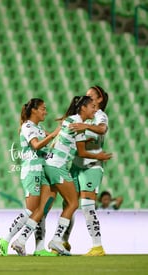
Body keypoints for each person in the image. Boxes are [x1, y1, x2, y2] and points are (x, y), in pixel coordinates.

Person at [11, 95, 112, 256]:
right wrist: (99, 156)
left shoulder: (71, 120)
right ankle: (57, 239)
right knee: (73, 203)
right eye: (92, 106)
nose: (95, 109)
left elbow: (76, 144)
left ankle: (21, 241)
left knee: (43, 208)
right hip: (58, 167)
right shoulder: (76, 123)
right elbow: (82, 151)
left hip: (49, 165)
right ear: (83, 108)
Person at [0, 98, 59, 257]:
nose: (46, 111)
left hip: (41, 170)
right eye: (43, 109)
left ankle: (39, 248)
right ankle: (5, 239)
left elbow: (45, 146)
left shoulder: (39, 127)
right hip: (31, 171)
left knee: (42, 210)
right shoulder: (27, 126)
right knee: (32, 209)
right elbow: (36, 145)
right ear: (34, 110)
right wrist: (53, 135)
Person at [65, 85, 110, 256]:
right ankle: (63, 242)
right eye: (86, 96)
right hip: (76, 166)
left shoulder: (100, 116)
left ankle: (97, 246)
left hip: (92, 167)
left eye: (91, 96)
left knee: (86, 206)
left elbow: (102, 129)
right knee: (69, 205)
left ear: (99, 99)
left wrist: (84, 127)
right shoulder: (83, 116)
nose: (88, 98)